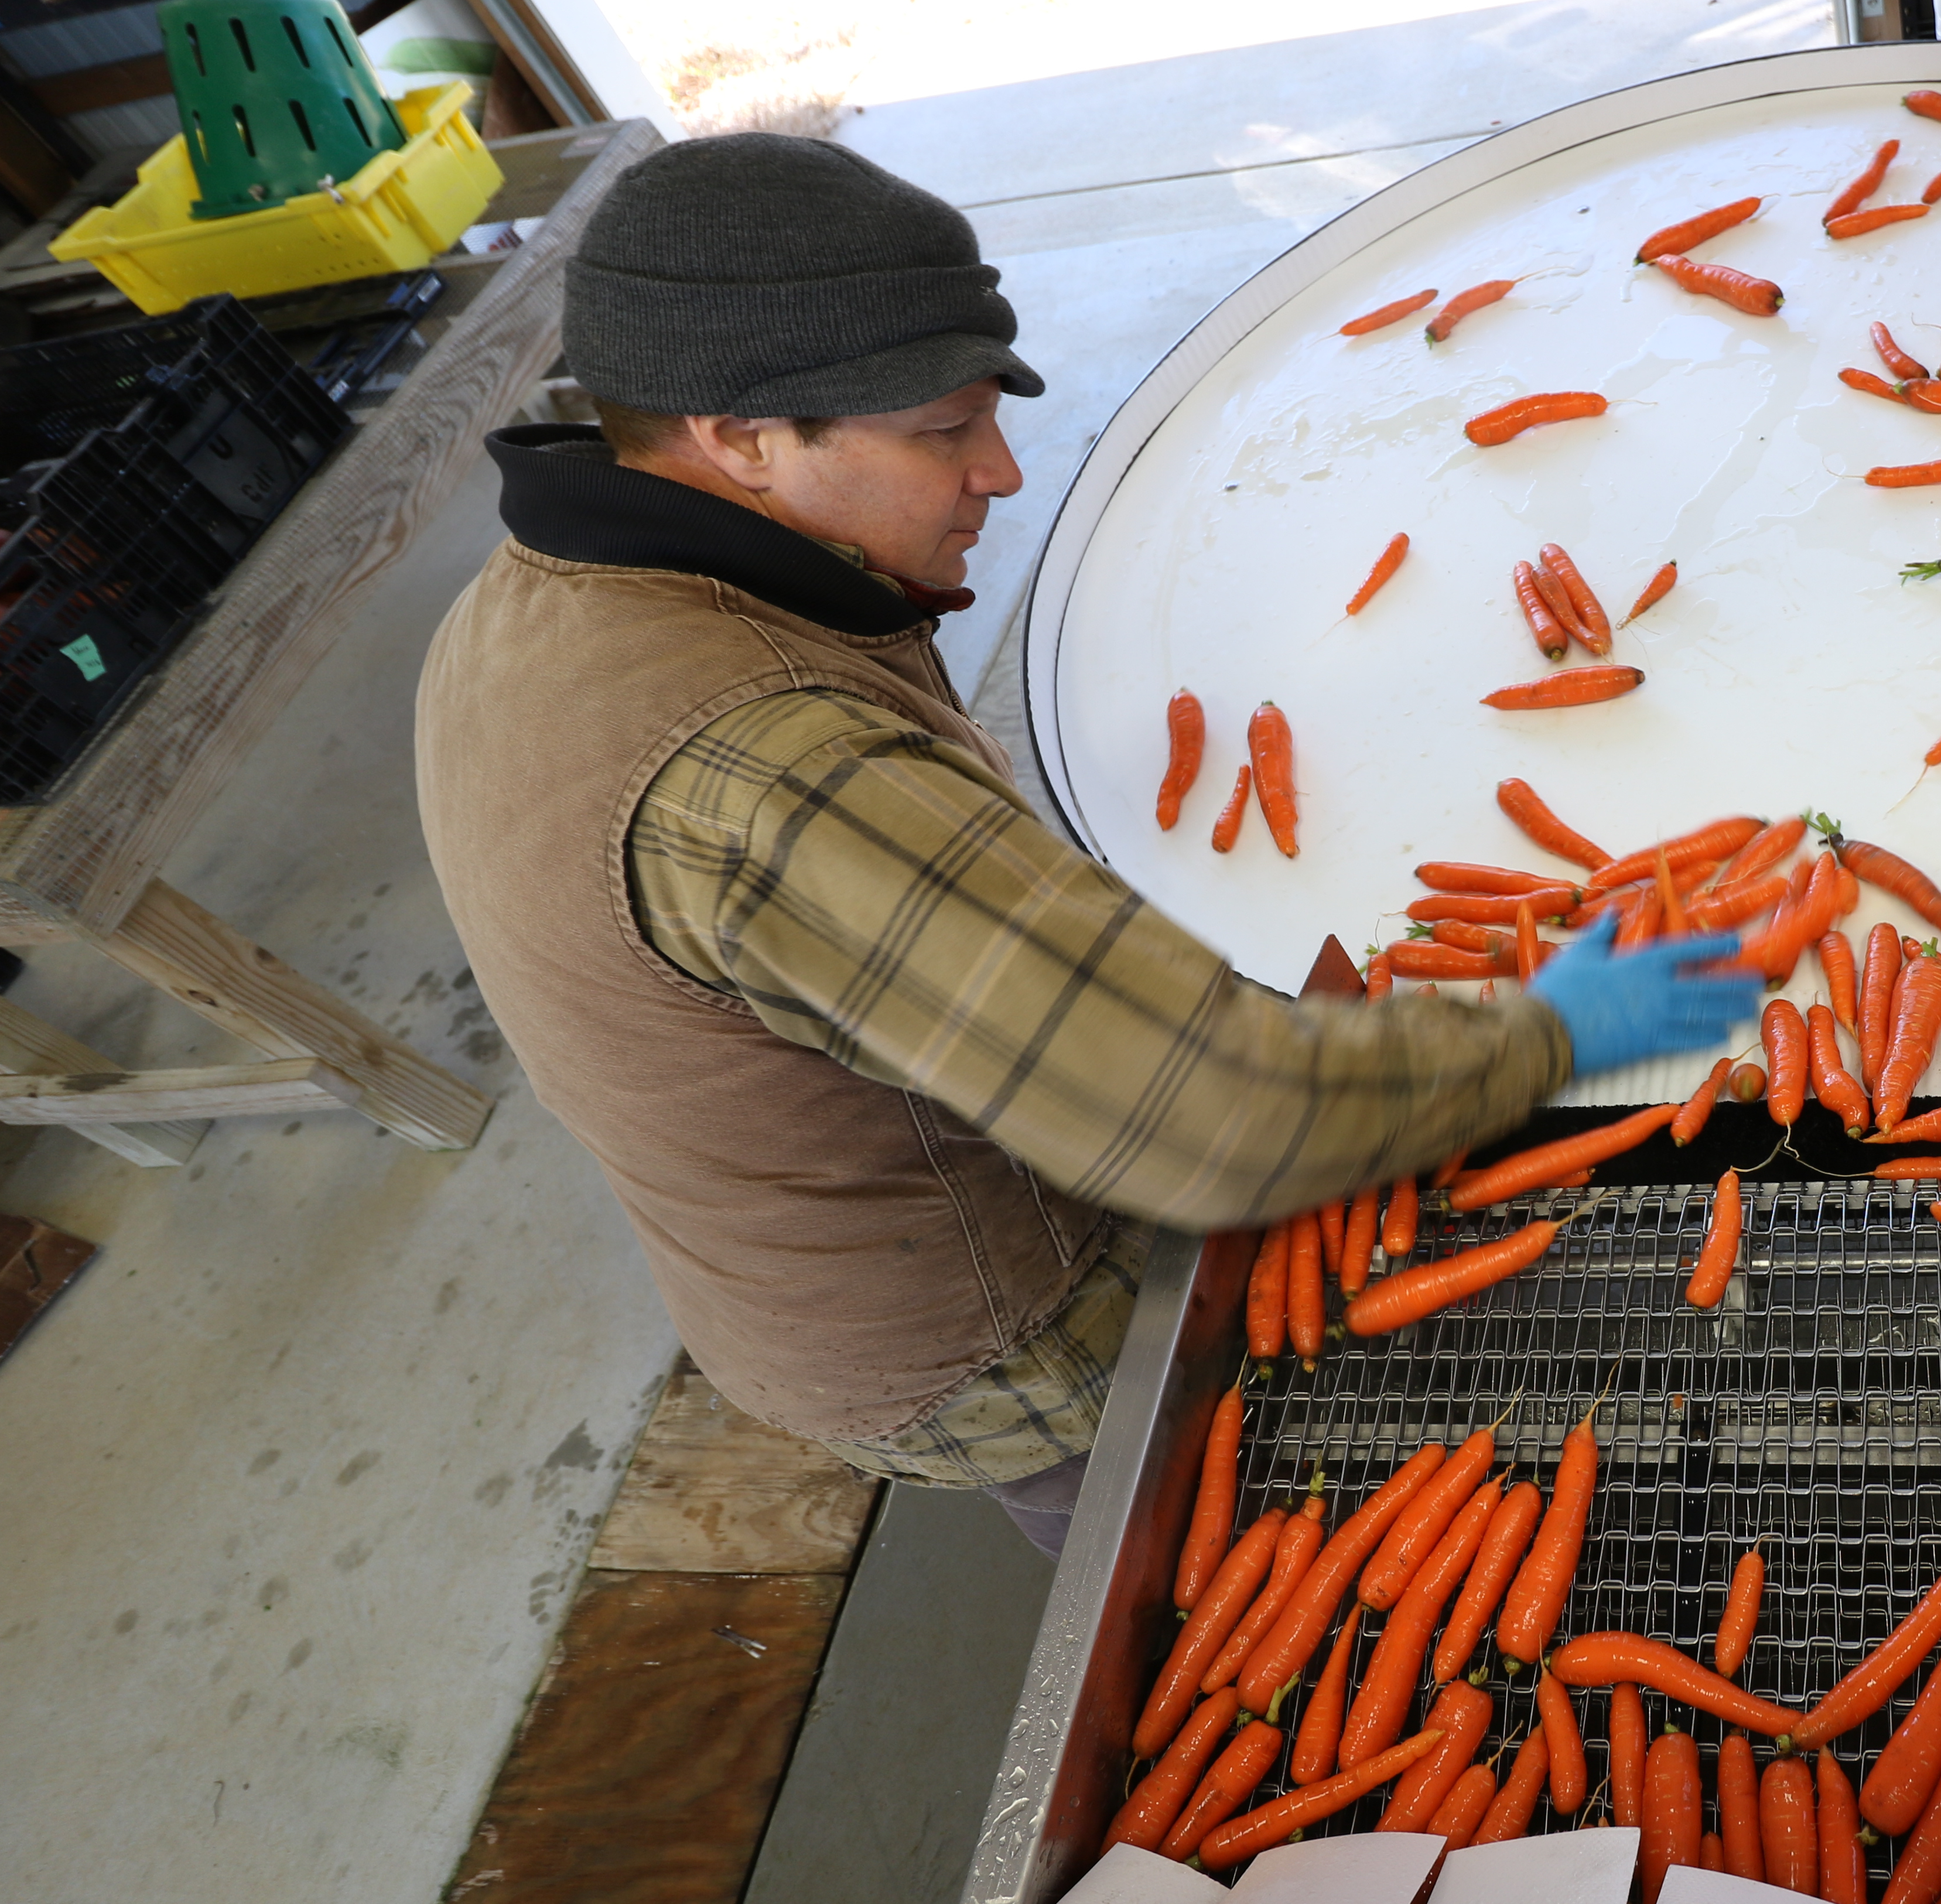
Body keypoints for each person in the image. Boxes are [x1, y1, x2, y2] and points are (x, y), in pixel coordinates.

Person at [412, 135, 1758, 1554]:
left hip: (807, 1228)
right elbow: (1217, 1116)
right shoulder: (772, 774)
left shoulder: (556, 591)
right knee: (1199, 1553)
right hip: (987, 1335)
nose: (999, 469)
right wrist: (1546, 1035)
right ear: (740, 437)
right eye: (942, 432)